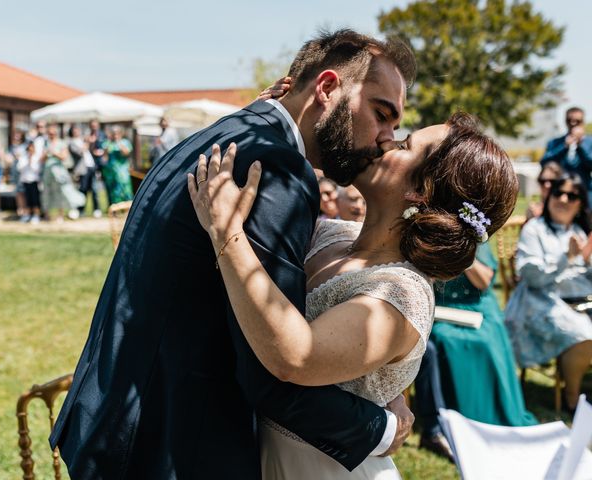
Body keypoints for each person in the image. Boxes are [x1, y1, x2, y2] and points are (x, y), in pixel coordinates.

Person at [50, 30, 421, 480]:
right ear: (326, 88)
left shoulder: (221, 135)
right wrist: (382, 426)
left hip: (111, 415)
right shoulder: (277, 170)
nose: (386, 138)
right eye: (382, 114)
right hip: (171, 445)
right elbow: (273, 369)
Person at [188, 107, 518, 477]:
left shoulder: (401, 293)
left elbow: (295, 358)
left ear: (419, 191)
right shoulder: (333, 234)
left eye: (405, 144)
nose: (385, 140)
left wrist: (225, 233)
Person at [415, 242, 537, 460]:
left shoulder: (475, 238)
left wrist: (463, 254)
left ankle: (494, 414)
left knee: (486, 340)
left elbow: (484, 283)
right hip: (441, 307)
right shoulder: (430, 237)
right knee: (446, 339)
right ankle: (457, 415)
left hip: (475, 304)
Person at [505, 172, 592, 413]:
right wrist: (567, 258)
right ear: (549, 196)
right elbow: (532, 277)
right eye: (558, 192)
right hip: (541, 300)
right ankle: (572, 398)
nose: (564, 199)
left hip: (582, 301)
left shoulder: (579, 230)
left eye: (572, 195)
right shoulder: (535, 229)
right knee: (583, 333)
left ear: (580, 203)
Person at [541, 107, 592, 203]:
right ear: (565, 121)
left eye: (577, 121)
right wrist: (564, 147)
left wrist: (580, 146)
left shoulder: (590, 142)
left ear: (583, 122)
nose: (573, 123)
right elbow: (544, 163)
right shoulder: (555, 143)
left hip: (585, 193)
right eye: (569, 120)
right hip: (560, 193)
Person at [41, 125, 83, 222]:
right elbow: (42, 159)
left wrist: (54, 153)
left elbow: (64, 157)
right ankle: (47, 215)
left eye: (52, 133)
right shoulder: (46, 143)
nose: (51, 135)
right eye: (49, 133)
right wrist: (46, 154)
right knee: (47, 192)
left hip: (59, 172)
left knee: (61, 192)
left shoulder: (61, 143)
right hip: (48, 171)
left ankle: (61, 215)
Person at [69, 126, 101, 217]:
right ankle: (80, 210)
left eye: (78, 130)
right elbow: (80, 152)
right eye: (75, 131)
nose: (77, 132)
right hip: (82, 170)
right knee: (83, 190)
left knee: (94, 189)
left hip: (91, 167)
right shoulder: (72, 143)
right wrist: (87, 142)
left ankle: (96, 209)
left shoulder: (82, 140)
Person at [101, 126, 134, 205]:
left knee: (125, 188)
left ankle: (127, 207)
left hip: (122, 171)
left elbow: (126, 153)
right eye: (113, 134)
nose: (115, 135)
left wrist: (119, 143)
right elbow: (104, 158)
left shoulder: (125, 142)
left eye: (117, 133)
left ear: (120, 134)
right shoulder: (107, 143)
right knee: (114, 190)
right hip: (111, 171)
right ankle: (116, 208)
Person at [18, 142, 42, 224]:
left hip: (34, 181)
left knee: (35, 200)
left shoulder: (37, 158)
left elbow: (37, 170)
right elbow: (20, 168)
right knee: (27, 200)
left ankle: (36, 215)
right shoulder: (23, 158)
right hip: (25, 181)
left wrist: (31, 161)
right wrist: (28, 161)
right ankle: (27, 214)